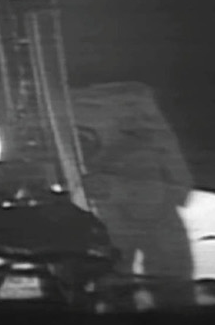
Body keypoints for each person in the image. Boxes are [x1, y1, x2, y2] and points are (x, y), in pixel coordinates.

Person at [70, 82, 196, 310]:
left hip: (109, 192)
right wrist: (179, 182)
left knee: (116, 274)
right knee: (169, 274)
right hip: (141, 190)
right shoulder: (134, 100)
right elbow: (163, 145)